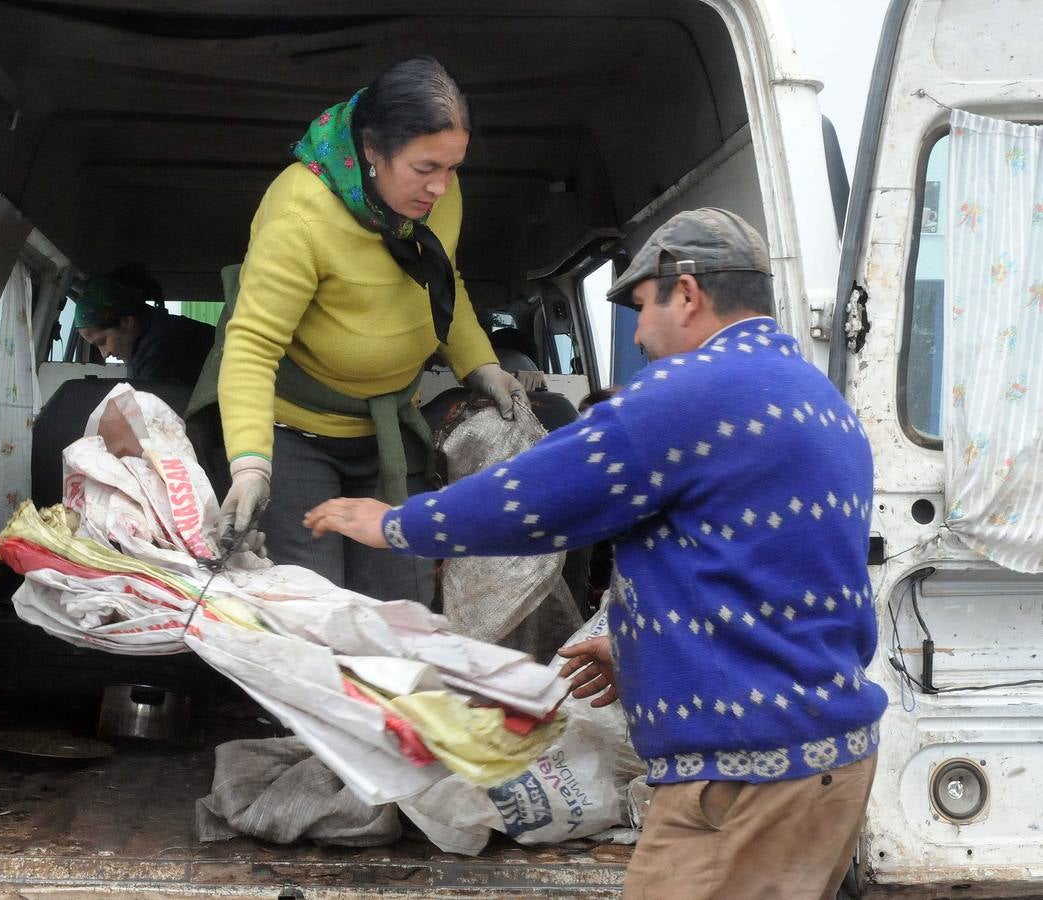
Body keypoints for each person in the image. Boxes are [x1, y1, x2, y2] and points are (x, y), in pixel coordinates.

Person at [305, 208, 887, 899]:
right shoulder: (813, 398)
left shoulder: (693, 392)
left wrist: (395, 523)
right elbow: (767, 569)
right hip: (825, 766)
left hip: (746, 785)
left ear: (688, 292)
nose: (638, 334)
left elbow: (537, 497)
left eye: (643, 307)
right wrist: (649, 647)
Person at [214, 56, 525, 602]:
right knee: (315, 604)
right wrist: (249, 465)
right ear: (373, 152)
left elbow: (442, 281)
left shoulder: (441, 198)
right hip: (297, 437)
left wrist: (483, 366)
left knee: (399, 600)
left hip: (387, 434)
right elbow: (252, 347)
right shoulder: (300, 213)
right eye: (425, 168)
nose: (441, 187)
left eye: (453, 168)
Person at [75, 265, 215, 389]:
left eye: (102, 342)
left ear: (127, 322)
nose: (104, 354)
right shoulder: (158, 333)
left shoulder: (158, 352)